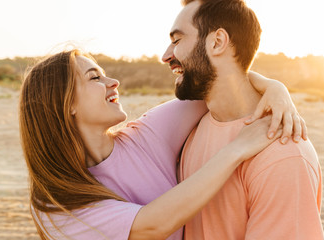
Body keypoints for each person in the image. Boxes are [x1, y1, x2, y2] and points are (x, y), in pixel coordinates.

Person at [19, 49, 305, 240]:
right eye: (95, 77)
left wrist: (275, 88)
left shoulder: (147, 134)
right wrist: (236, 149)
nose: (114, 81)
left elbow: (221, 84)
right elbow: (152, 224)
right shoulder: (54, 205)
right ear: (65, 103)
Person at [161, 0, 324, 239]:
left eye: (177, 40)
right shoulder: (189, 124)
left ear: (217, 42)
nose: (166, 56)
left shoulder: (282, 154)